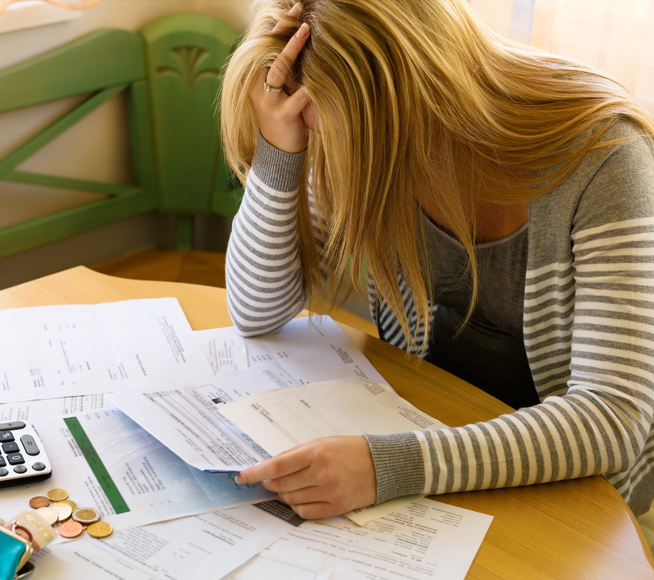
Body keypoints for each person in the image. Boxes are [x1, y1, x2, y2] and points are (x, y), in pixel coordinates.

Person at [219, 0, 654, 520]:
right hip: (442, 448)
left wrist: (388, 465)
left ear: (412, 95)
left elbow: (613, 419)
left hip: (585, 499)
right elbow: (255, 310)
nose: (324, 145)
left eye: (325, 129)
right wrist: (279, 152)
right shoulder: (359, 135)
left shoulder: (605, 154)